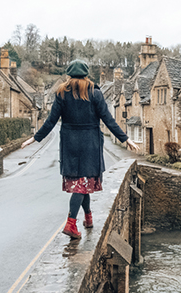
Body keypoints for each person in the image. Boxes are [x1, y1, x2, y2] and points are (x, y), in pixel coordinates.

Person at [21, 59, 139, 239]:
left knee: (82, 184)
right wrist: (126, 139)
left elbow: (51, 122)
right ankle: (71, 223)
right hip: (90, 144)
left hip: (69, 144)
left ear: (69, 75)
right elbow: (108, 119)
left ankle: (88, 218)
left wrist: (35, 138)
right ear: (86, 74)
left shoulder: (61, 93)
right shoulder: (95, 93)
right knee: (82, 185)